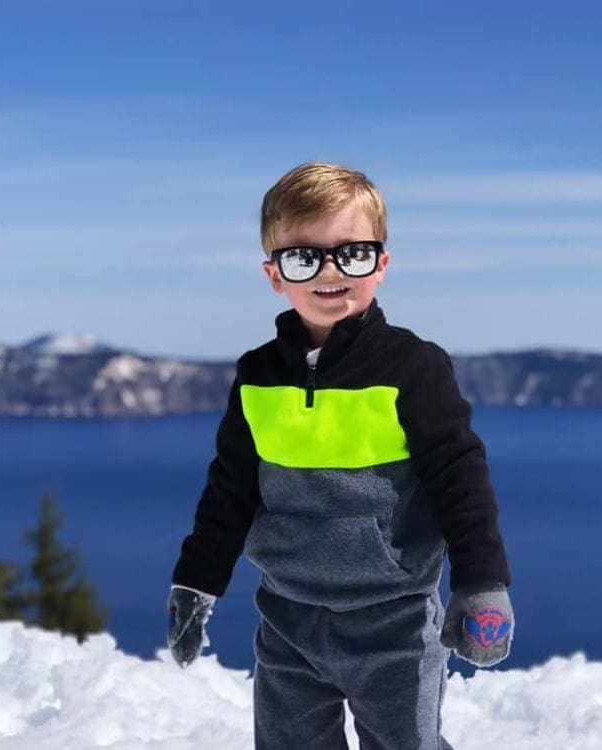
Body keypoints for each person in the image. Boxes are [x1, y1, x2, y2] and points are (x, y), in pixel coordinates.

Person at [167, 162, 513, 750]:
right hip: (287, 617)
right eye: (304, 257)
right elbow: (230, 487)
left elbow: (459, 478)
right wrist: (196, 582)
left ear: (380, 262)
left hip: (394, 620)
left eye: (350, 253)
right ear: (274, 274)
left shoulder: (413, 367)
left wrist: (482, 584)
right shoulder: (257, 375)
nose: (330, 272)